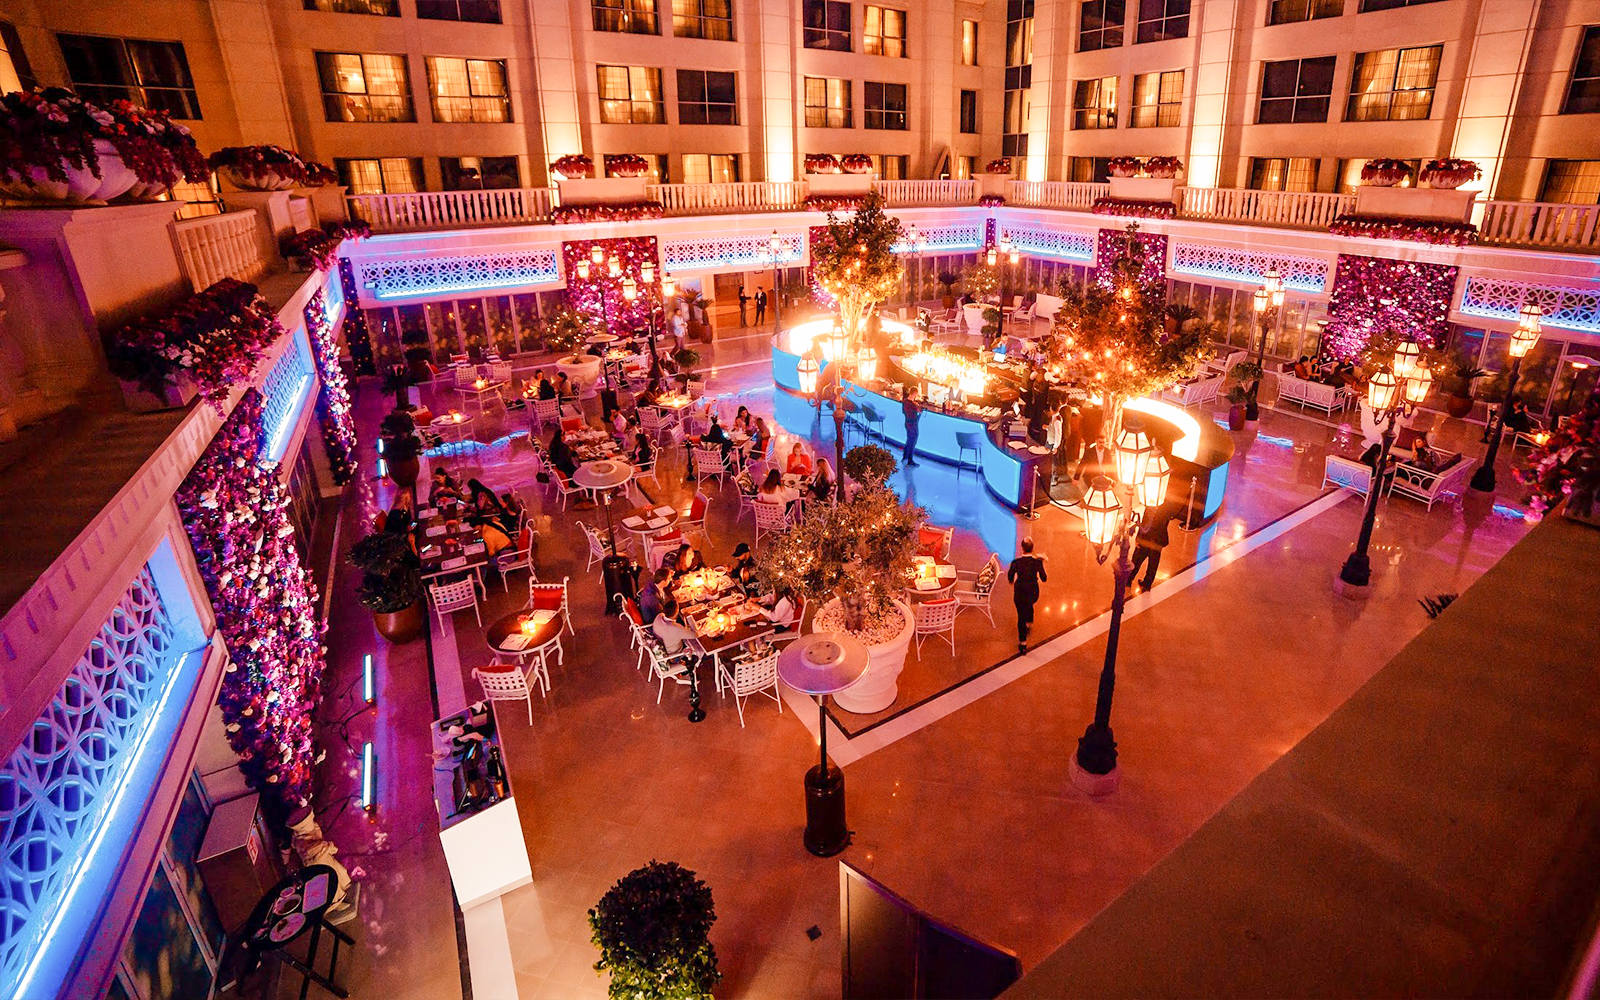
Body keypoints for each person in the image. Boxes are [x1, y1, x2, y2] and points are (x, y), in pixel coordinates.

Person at [1007, 537, 1048, 653]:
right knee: (1029, 605)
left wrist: (1013, 581)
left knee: (1021, 616)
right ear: (1032, 548)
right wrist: (1041, 563)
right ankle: (1029, 623)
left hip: (1020, 593)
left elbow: (1010, 577)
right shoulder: (1036, 562)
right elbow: (1044, 578)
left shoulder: (1016, 563)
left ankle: (1023, 643)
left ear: (1022, 548)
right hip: (1033, 593)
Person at [1130, 505, 1173, 592]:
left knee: (1137, 559)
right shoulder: (1167, 507)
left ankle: (1129, 579)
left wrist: (1138, 538)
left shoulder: (1150, 506)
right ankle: (1147, 583)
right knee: (1153, 563)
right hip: (1158, 540)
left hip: (1147, 539)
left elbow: (1145, 523)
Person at [902, 385, 922, 466]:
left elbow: (904, 412)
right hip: (913, 425)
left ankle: (905, 457)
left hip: (907, 423)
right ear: (915, 394)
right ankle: (910, 460)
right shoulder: (914, 406)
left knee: (908, 440)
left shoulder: (904, 402)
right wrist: (920, 413)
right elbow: (917, 416)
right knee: (913, 442)